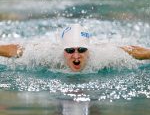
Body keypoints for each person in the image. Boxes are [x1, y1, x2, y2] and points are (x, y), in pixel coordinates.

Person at [0, 24, 150, 72]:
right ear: (63, 51)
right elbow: (18, 50)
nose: (76, 56)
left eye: (82, 50)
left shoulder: (103, 56)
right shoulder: (47, 55)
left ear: (89, 50)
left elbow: (132, 51)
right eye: (70, 50)